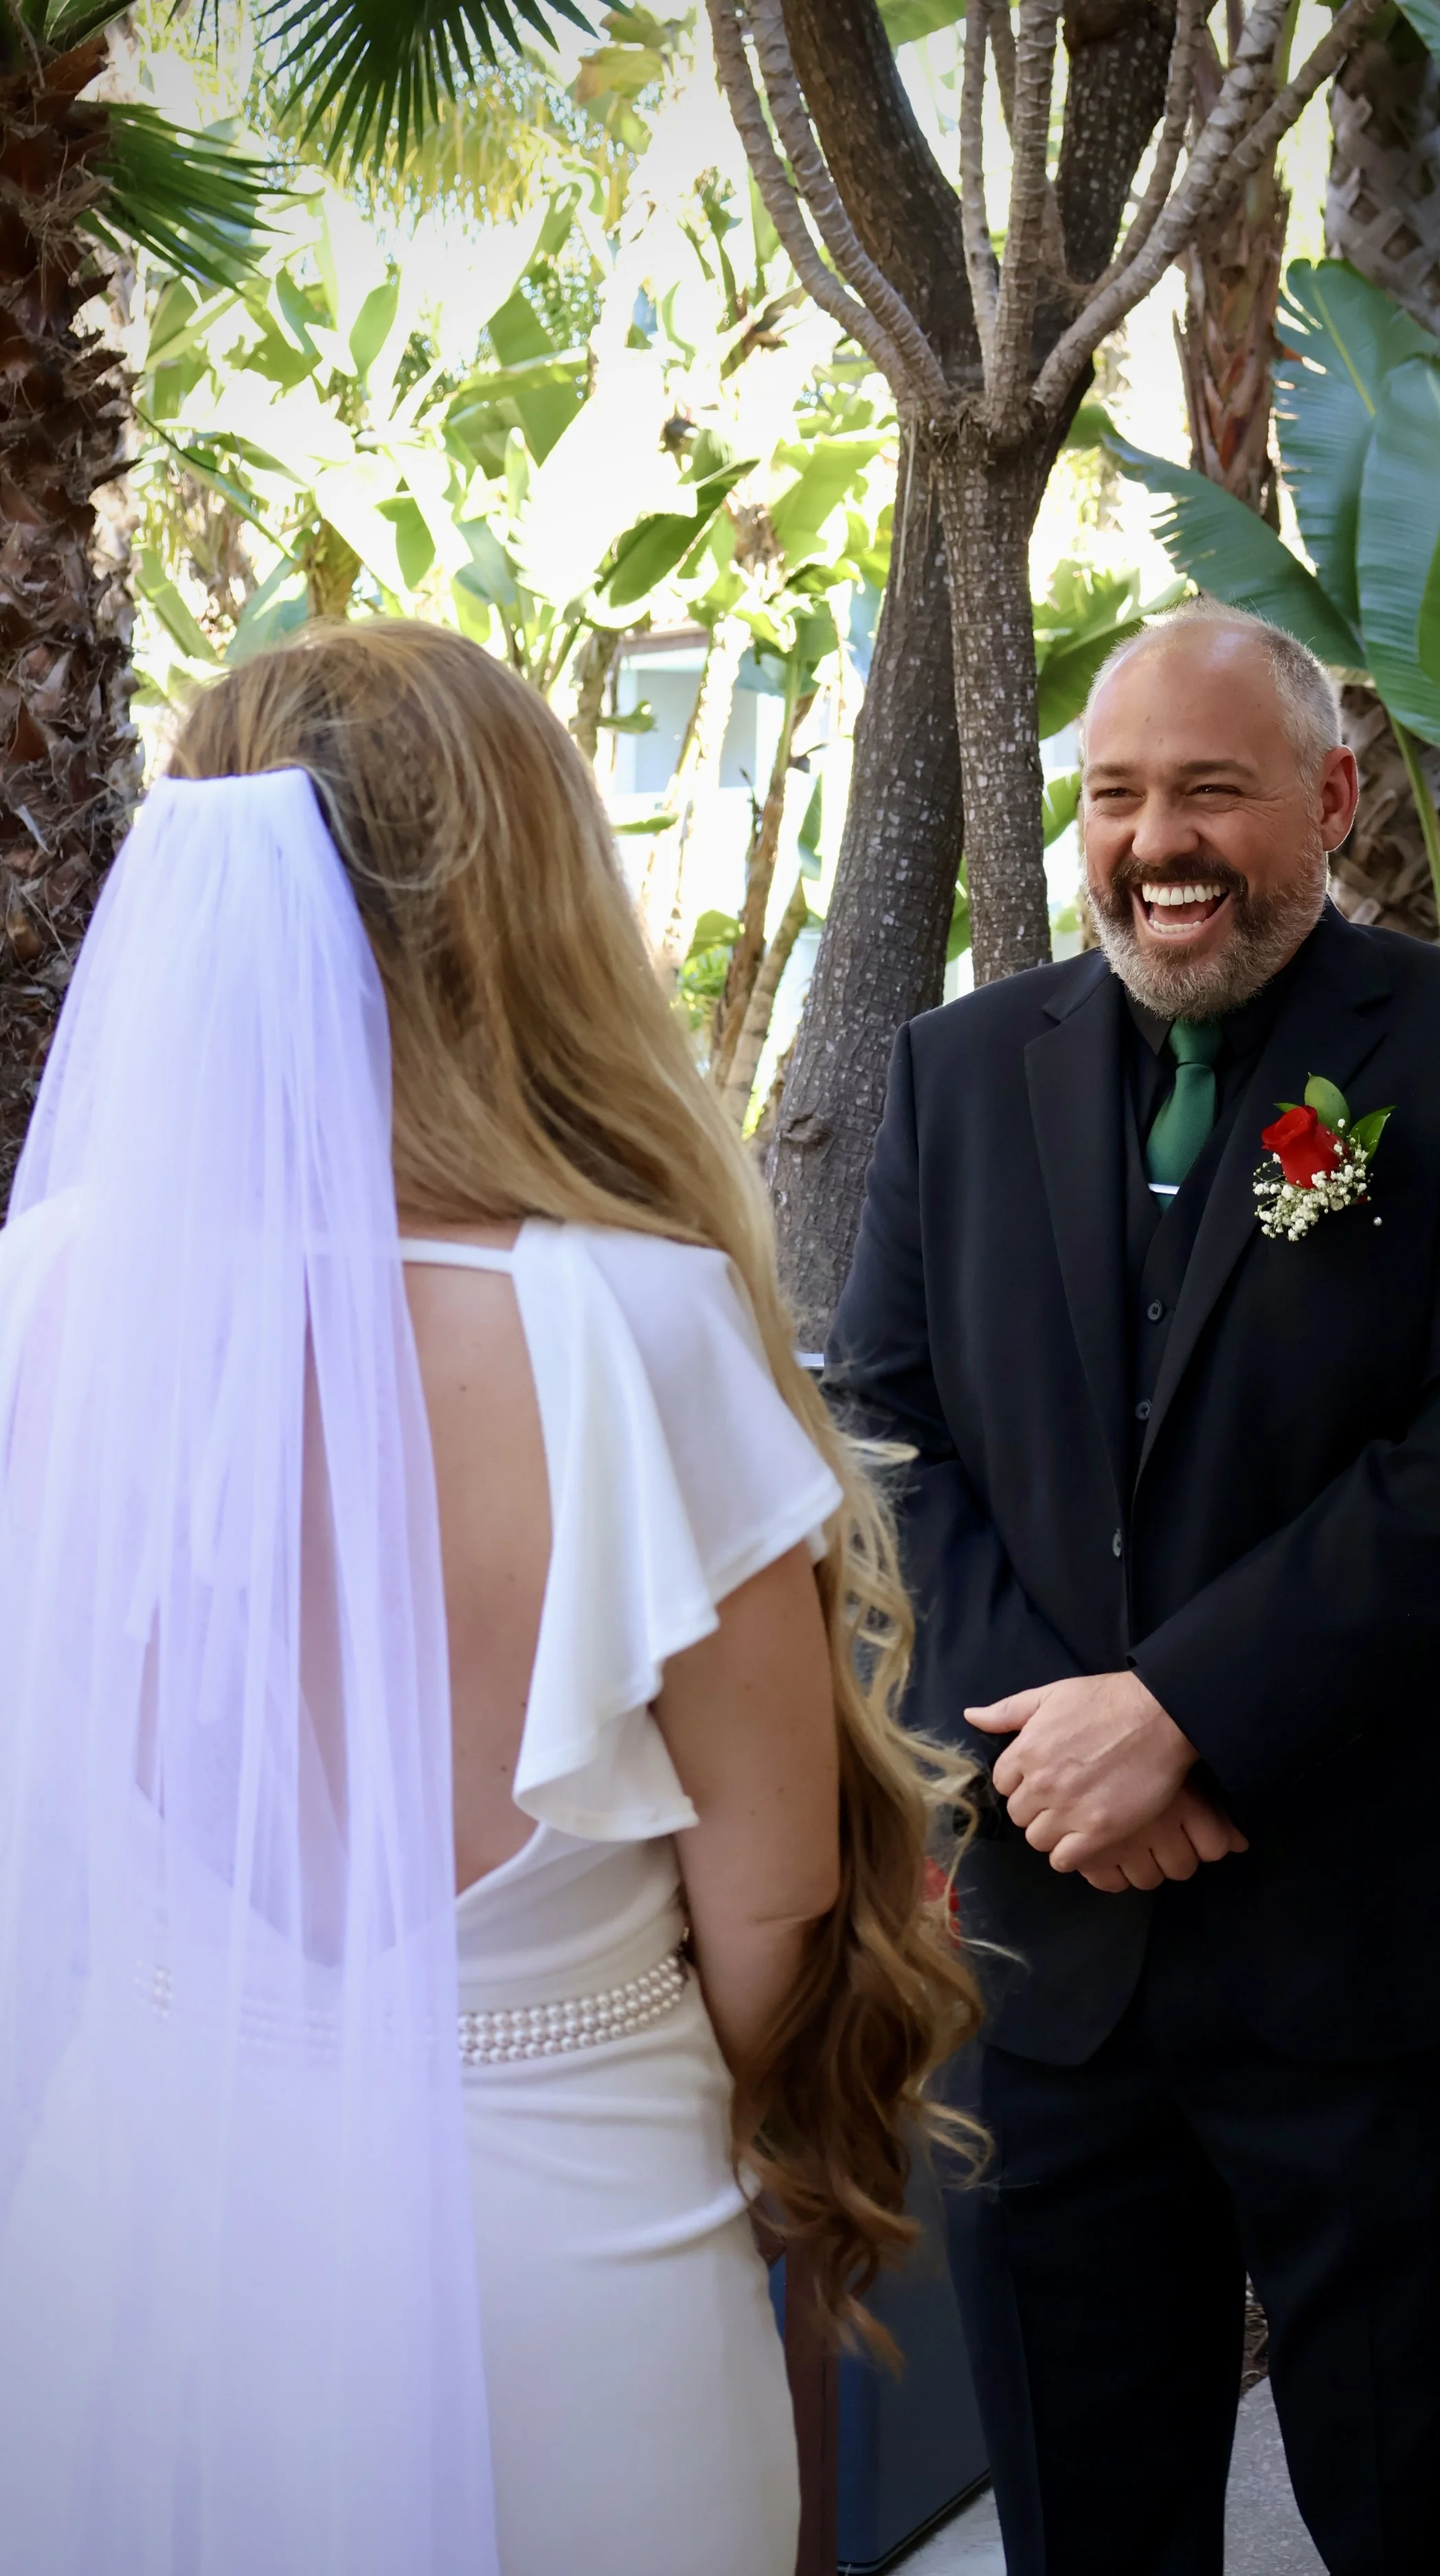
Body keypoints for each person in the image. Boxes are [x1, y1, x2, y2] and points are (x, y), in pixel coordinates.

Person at [0, 620, 977, 2575]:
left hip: (142, 2236)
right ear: (529, 905)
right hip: (557, 2253)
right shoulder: (633, 1336)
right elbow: (772, 1924)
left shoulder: (46, 1300)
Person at [824, 600, 1440, 2576]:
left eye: (1208, 790)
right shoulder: (950, 1068)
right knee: (1086, 2527)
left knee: (1416, 2513)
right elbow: (890, 1430)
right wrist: (1060, 1753)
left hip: (1378, 1947)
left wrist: (1174, 1713)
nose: (1155, 842)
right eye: (1112, 795)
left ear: (1326, 797)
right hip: (1052, 1960)